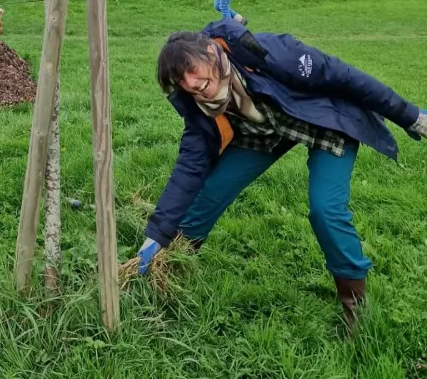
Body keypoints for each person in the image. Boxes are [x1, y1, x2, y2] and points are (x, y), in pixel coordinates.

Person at [135, 20, 427, 328]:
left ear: (211, 51)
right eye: (182, 81)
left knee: (325, 209)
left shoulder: (267, 53)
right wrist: (157, 235)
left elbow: (343, 76)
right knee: (209, 193)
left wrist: (410, 116)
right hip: (264, 133)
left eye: (193, 71)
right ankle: (169, 269)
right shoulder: (199, 104)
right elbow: (189, 168)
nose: (192, 84)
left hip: (325, 120)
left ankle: (355, 305)